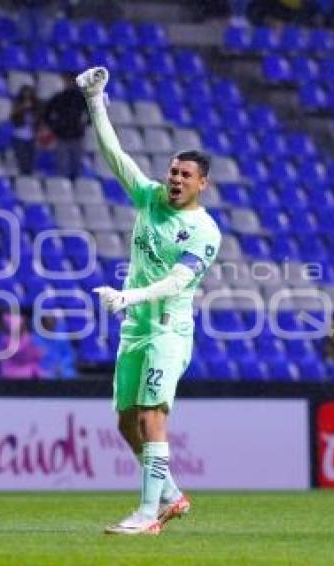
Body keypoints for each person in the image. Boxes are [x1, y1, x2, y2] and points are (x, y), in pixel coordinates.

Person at [78, 67, 221, 535]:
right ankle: (172, 495)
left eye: (186, 175)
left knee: (150, 416)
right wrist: (96, 100)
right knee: (125, 424)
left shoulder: (205, 231)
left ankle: (147, 516)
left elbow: (179, 281)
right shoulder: (150, 198)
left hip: (168, 330)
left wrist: (128, 294)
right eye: (173, 171)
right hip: (135, 326)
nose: (175, 179)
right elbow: (115, 155)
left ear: (203, 184)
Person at [44, 73, 89, 179]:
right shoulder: (59, 98)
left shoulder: (81, 98)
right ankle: (64, 188)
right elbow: (46, 113)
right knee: (62, 166)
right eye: (68, 81)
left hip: (77, 135)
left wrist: (86, 124)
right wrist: (54, 126)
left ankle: (77, 187)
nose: (70, 83)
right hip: (62, 135)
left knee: (77, 165)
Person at [0, 312, 46, 379]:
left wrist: (37, 353)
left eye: (22, 326)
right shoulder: (5, 341)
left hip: (27, 368)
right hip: (11, 370)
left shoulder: (26, 338)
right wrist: (27, 338)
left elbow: (32, 357)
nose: (22, 328)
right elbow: (18, 352)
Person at [10, 85, 41, 175]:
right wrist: (23, 107)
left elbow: (39, 120)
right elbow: (12, 117)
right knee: (22, 161)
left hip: (32, 137)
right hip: (19, 137)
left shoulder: (36, 106)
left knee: (31, 162)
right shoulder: (17, 105)